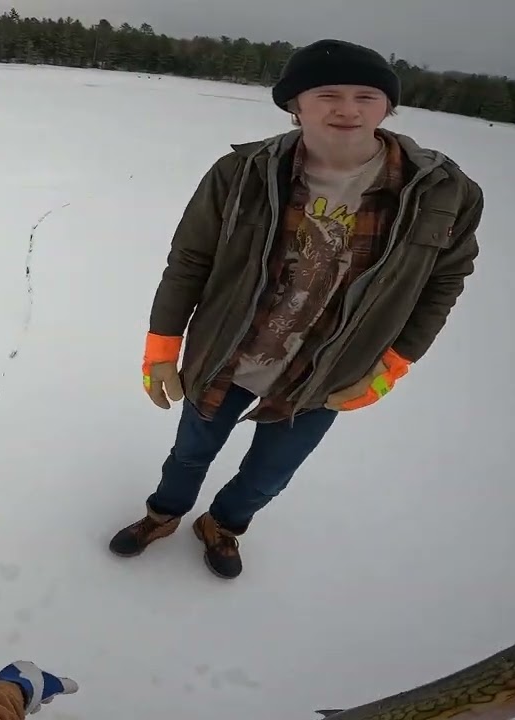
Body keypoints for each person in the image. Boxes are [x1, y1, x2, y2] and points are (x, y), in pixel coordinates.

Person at [108, 39, 483, 579]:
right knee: (190, 453)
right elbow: (190, 259)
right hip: (228, 354)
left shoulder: (446, 193)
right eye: (327, 94)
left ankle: (224, 526)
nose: (348, 109)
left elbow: (444, 282)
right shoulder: (240, 172)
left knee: (269, 475)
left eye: (367, 95)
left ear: (388, 107)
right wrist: (162, 346)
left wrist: (395, 363)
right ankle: (163, 514)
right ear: (295, 106)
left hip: (327, 371)